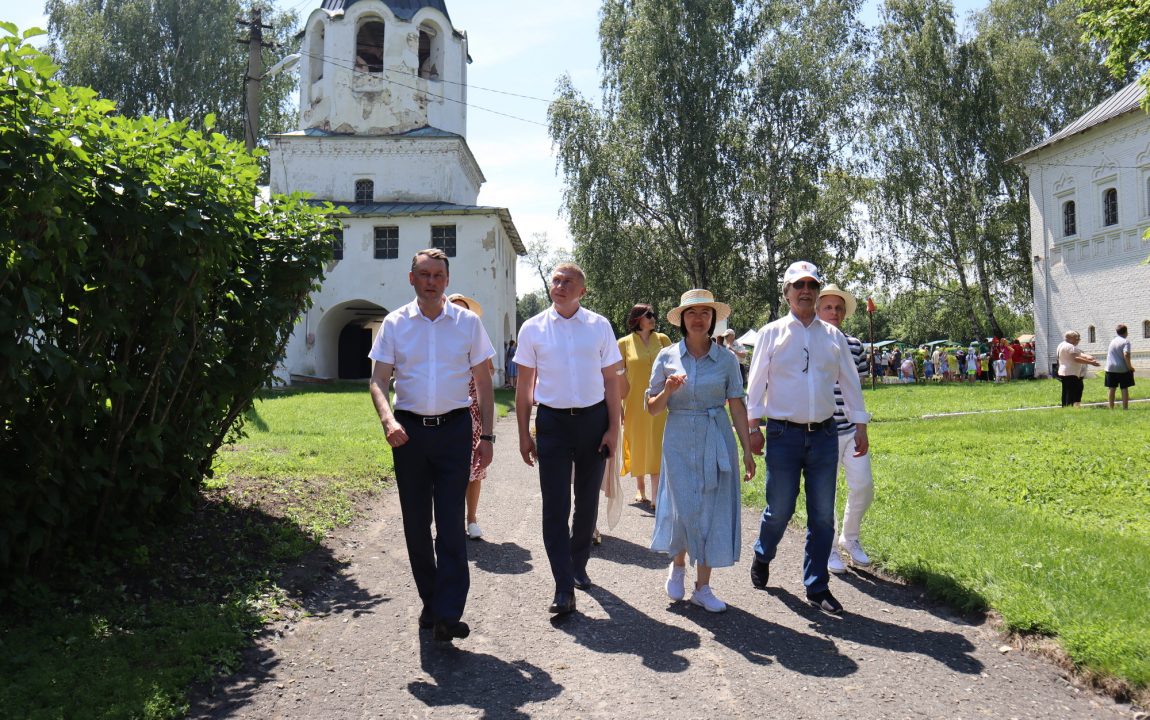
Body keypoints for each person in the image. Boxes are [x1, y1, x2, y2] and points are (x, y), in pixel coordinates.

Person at [367, 249, 495, 643]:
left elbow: (485, 383)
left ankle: (448, 612)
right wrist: (388, 420)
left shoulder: (468, 324)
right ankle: (431, 601)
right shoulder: (395, 324)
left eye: (438, 275)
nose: (431, 281)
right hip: (409, 433)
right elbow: (377, 380)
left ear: (447, 279)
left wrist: (487, 436)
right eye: (424, 274)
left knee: (452, 524)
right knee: (417, 524)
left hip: (455, 430)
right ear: (412, 279)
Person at [745, 261, 871, 615]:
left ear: (817, 293)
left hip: (824, 436)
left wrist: (860, 424)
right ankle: (763, 552)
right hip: (784, 434)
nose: (805, 291)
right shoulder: (771, 333)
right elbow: (755, 384)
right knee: (779, 510)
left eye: (811, 286)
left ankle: (816, 586)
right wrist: (754, 428)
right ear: (786, 293)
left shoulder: (833, 337)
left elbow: (850, 382)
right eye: (798, 285)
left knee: (822, 516)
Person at [514, 263, 622, 616]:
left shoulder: (599, 326)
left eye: (568, 281)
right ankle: (563, 585)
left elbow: (612, 383)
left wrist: (613, 429)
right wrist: (523, 434)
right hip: (553, 424)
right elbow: (524, 388)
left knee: (587, 501)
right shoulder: (533, 328)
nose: (559, 286)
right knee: (555, 505)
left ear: (582, 291)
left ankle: (578, 564)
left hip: (593, 421)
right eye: (556, 281)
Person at [648, 290, 755, 613]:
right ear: (682, 319)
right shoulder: (667, 356)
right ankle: (678, 564)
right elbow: (651, 408)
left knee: (709, 506)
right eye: (692, 313)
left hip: (714, 434)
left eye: (705, 314)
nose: (698, 319)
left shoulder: (726, 360)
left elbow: (736, 405)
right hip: (678, 435)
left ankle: (703, 587)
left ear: (712, 320)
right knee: (681, 505)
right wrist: (667, 390)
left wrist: (747, 449)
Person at [814, 285, 875, 575]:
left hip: (851, 429)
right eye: (828, 307)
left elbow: (856, 387)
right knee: (825, 493)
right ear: (817, 309)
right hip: (822, 431)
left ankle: (850, 538)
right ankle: (828, 548)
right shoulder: (809, 342)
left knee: (863, 485)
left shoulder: (854, 345)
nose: (834, 312)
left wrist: (861, 424)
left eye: (839, 308)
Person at [447, 294, 497, 541]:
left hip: (473, 410)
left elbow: (488, 371)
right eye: (453, 309)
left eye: (461, 310)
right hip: (445, 411)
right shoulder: (438, 338)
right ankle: (450, 520)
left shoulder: (475, 337)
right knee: (447, 470)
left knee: (473, 469)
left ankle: (472, 519)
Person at [617, 304, 672, 507]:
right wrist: (618, 406)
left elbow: (673, 366)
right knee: (639, 441)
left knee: (657, 443)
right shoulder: (623, 343)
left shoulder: (663, 339)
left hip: (659, 399)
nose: (653, 318)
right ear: (637, 318)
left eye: (653, 315)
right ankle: (640, 488)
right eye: (648, 315)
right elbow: (616, 377)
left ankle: (657, 494)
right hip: (633, 402)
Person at [1056, 330, 1099, 407]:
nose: (1078, 340)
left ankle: (1066, 407)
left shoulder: (1062, 345)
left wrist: (1087, 357)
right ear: (1070, 337)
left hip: (1064, 372)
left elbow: (1078, 353)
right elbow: (1076, 358)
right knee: (1071, 392)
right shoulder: (1070, 346)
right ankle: (1070, 407)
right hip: (1070, 372)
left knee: (1066, 392)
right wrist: (1091, 362)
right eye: (1076, 338)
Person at [1105, 324, 1135, 409]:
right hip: (1122, 368)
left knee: (1111, 388)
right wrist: (1130, 367)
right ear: (1126, 332)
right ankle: (1125, 408)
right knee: (1124, 388)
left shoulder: (1112, 341)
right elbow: (1126, 355)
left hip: (1110, 367)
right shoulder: (1126, 341)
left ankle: (1111, 407)